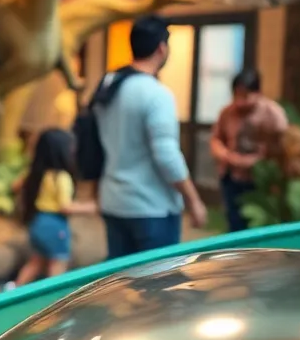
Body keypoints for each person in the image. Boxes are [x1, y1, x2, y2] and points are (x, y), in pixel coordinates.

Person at [95, 16, 207, 259]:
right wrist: (193, 200)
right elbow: (167, 156)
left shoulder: (109, 86)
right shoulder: (156, 94)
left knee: (121, 286)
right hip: (150, 207)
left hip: (114, 201)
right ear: (161, 48)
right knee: (157, 290)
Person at [12, 128, 97, 286]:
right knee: (58, 263)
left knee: (36, 261)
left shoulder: (36, 174)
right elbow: (65, 207)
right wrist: (91, 207)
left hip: (37, 221)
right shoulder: (61, 177)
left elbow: (15, 186)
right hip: (54, 224)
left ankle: (12, 290)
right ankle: (55, 302)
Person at [210, 68, 288, 232]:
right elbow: (216, 138)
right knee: (234, 222)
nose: (240, 102)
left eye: (245, 96)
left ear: (258, 93)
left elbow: (283, 148)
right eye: (236, 95)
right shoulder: (227, 112)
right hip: (231, 176)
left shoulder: (273, 114)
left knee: (257, 226)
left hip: (259, 180)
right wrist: (224, 154)